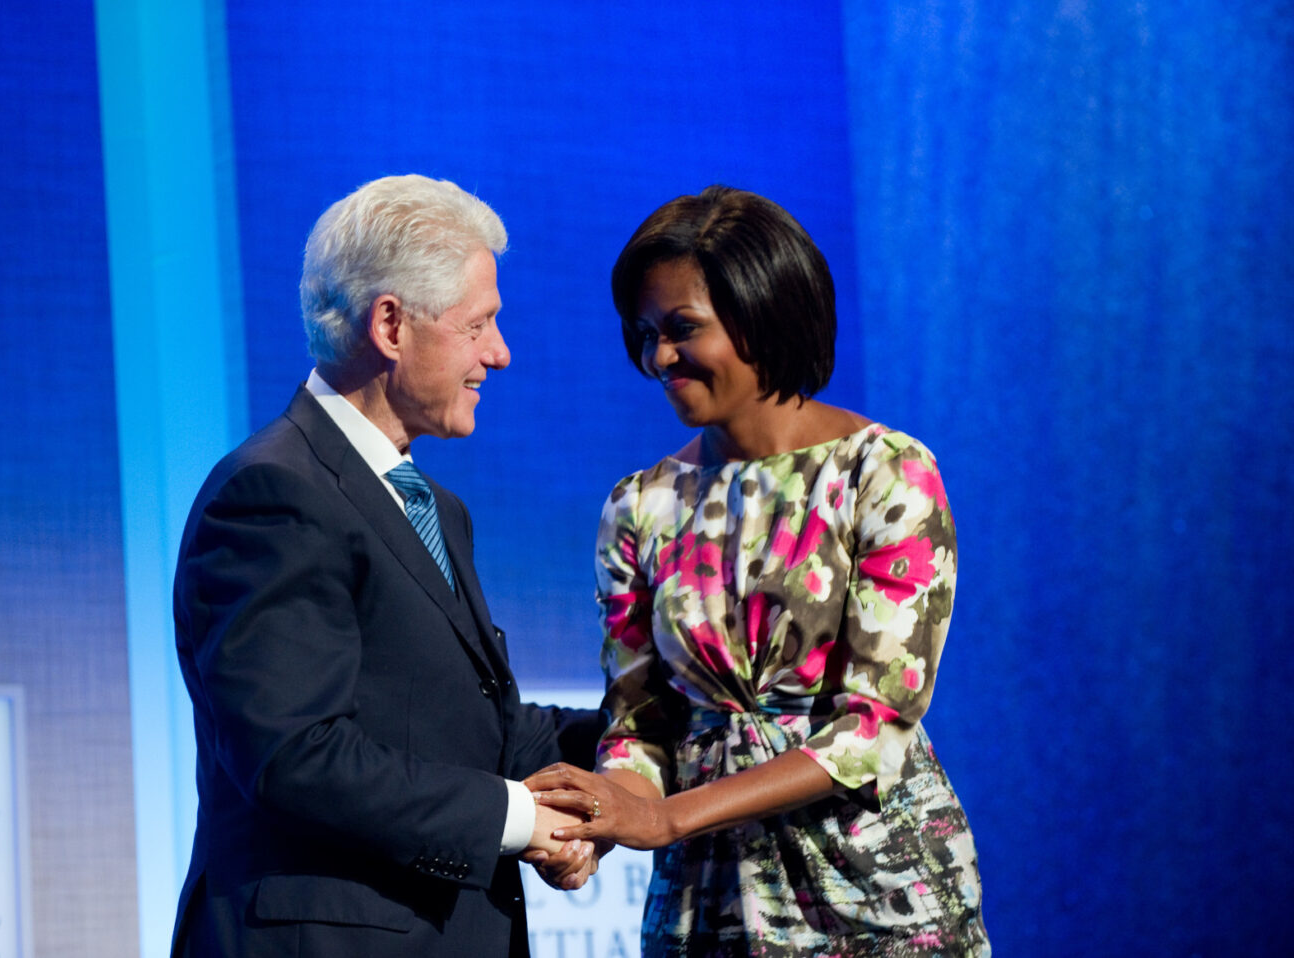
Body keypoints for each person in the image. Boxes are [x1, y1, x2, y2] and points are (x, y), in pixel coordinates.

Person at [525, 186, 990, 956]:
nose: (659, 358)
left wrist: (665, 816)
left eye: (682, 330)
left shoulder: (885, 472)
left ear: (764, 310)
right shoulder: (639, 505)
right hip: (707, 896)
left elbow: (870, 732)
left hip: (877, 886)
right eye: (645, 334)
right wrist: (605, 816)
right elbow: (640, 724)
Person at [170, 174, 602, 958]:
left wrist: (654, 745)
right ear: (392, 325)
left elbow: (475, 732)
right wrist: (519, 821)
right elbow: (295, 754)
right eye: (479, 325)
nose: (498, 355)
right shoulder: (272, 494)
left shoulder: (435, 506)